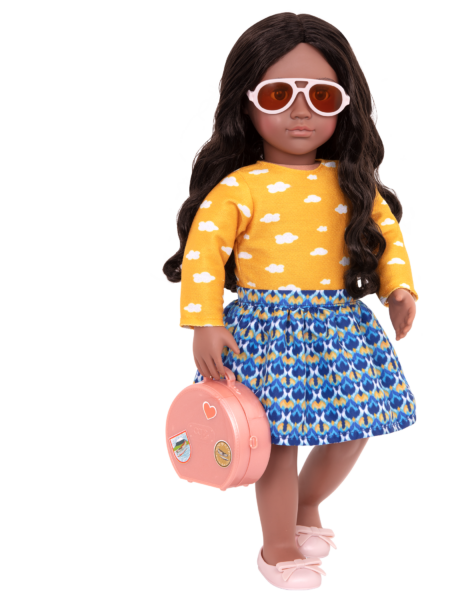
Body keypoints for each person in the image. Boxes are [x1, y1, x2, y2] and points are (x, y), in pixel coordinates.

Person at [162, 11, 418, 591]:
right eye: (279, 94)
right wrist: (203, 320)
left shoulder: (353, 183)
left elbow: (385, 241)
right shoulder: (240, 188)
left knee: (353, 425)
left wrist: (398, 289)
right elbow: (204, 253)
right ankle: (277, 544)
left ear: (345, 105)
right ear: (246, 103)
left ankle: (304, 507)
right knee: (273, 438)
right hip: (265, 327)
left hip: (340, 326)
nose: (301, 111)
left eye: (321, 96)